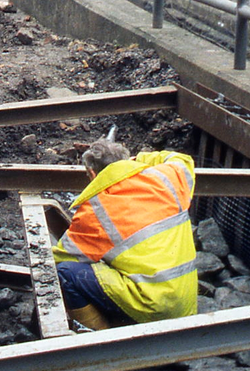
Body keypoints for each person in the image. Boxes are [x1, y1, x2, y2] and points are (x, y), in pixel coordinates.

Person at [53, 139, 198, 331]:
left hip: (154, 308)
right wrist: (139, 159)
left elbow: (59, 258)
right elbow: (182, 159)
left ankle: (103, 342)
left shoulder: (96, 210)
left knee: (65, 273)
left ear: (92, 173)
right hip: (185, 305)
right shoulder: (166, 179)